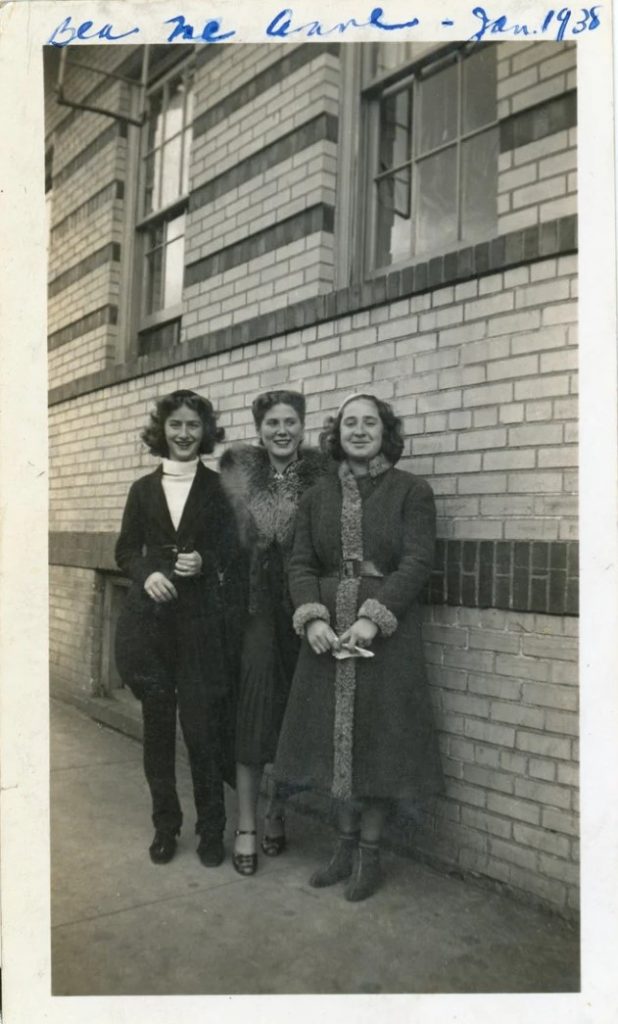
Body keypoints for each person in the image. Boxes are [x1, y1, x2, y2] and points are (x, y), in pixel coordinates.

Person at [275, 393, 443, 901]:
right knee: (330, 742)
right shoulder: (317, 497)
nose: (360, 430)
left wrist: (374, 619)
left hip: (383, 638)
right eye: (350, 422)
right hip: (326, 636)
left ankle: (370, 855)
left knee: (377, 743)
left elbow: (417, 562)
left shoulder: (412, 491)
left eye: (371, 422)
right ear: (337, 433)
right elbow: (300, 564)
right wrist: (311, 618)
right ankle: (342, 848)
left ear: (385, 431)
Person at [114, 390, 245, 868]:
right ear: (162, 431)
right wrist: (147, 572)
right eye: (176, 426)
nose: (185, 434)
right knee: (157, 731)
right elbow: (125, 550)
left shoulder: (218, 488)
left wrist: (204, 561)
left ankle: (211, 829)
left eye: (193, 425)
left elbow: (234, 550)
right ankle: (164, 827)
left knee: (203, 732)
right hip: (150, 628)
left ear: (204, 431)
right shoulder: (142, 490)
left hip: (200, 627)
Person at [219, 390, 326, 875]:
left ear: (302, 427)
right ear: (259, 430)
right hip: (254, 609)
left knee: (292, 712)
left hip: (305, 606)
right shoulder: (238, 471)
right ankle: (245, 825)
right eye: (272, 423)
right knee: (254, 709)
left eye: (290, 422)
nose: (281, 430)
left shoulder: (323, 474)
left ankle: (277, 810)